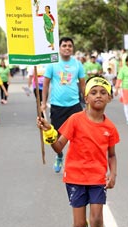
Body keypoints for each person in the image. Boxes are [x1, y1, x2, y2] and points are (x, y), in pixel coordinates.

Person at [37, 75, 120, 227]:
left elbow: (111, 154)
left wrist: (113, 174)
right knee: (79, 223)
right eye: (94, 92)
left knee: (98, 220)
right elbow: (58, 147)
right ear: (86, 97)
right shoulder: (75, 120)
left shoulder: (109, 127)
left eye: (103, 92)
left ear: (109, 98)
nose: (98, 95)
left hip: (97, 178)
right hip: (74, 177)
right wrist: (49, 132)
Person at [41, 37, 85, 173]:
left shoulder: (78, 64)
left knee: (77, 136)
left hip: (74, 105)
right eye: (64, 45)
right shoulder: (52, 64)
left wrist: (87, 101)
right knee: (56, 136)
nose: (67, 48)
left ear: (73, 48)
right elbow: (46, 84)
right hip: (57, 106)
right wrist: (43, 103)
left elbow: (83, 84)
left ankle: (74, 162)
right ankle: (59, 155)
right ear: (59, 48)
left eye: (70, 46)